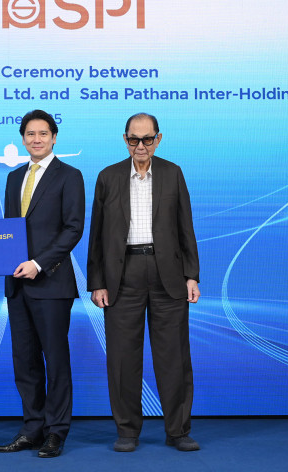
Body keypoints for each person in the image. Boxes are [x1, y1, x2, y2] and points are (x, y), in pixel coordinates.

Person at [87, 113, 201, 452]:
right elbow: (96, 236)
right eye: (134, 139)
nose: (141, 146)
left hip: (169, 276)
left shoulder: (173, 173)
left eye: (147, 139)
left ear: (158, 139)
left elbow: (186, 227)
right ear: (125, 140)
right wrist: (97, 282)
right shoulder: (107, 177)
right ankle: (127, 431)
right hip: (122, 276)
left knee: (174, 356)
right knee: (123, 358)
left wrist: (191, 275)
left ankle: (178, 430)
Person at [0, 109, 85, 458]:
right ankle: (32, 428)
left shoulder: (70, 176)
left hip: (52, 283)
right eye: (30, 134)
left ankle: (56, 431)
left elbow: (73, 228)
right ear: (22, 138)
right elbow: (10, 228)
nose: (36, 139)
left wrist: (39, 263)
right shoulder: (14, 177)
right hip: (17, 284)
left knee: (55, 360)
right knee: (25, 361)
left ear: (54, 137)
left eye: (43, 133)